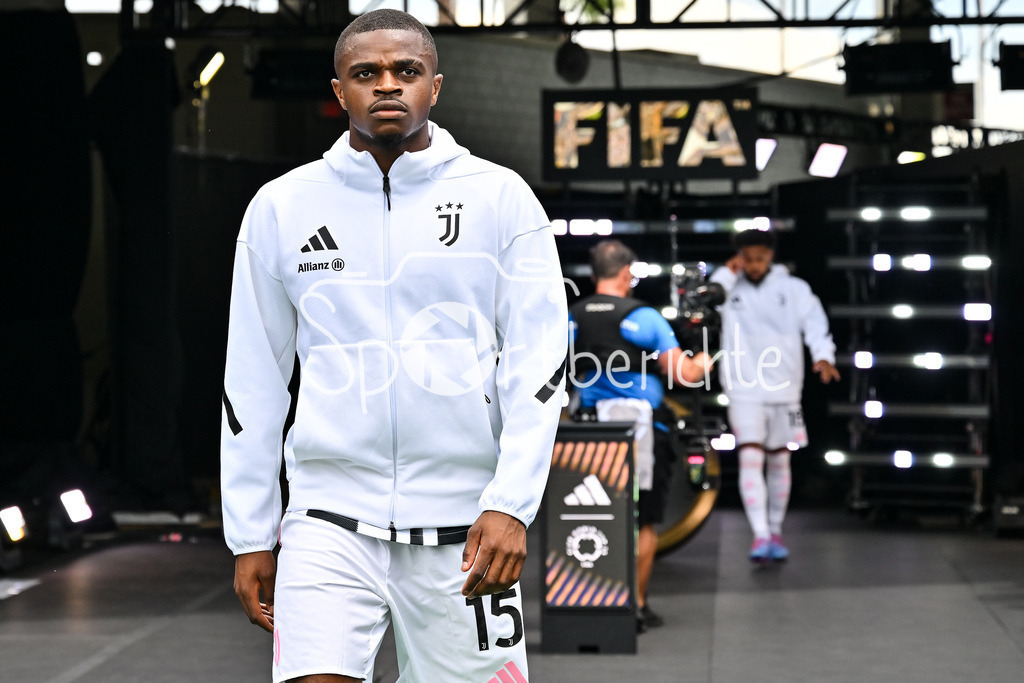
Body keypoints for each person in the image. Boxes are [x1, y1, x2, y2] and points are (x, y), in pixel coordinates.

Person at [220, 10, 568, 682]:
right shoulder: (281, 207)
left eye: (406, 71)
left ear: (434, 86)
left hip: (468, 527)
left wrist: (511, 502)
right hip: (326, 520)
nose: (387, 85)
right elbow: (254, 380)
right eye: (366, 73)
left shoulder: (501, 199)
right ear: (340, 90)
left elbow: (539, 365)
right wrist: (252, 532)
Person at [568, 239, 711, 632]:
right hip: (640, 433)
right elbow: (684, 373)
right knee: (642, 520)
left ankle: (585, 600)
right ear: (627, 273)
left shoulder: (571, 315)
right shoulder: (644, 316)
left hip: (585, 432)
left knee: (588, 514)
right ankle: (636, 605)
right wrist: (705, 356)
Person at [709, 228, 839, 563]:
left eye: (760, 258)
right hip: (743, 387)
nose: (754, 265)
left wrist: (823, 355)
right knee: (750, 457)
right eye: (747, 258)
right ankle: (760, 534)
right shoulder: (726, 287)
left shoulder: (793, 289)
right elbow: (704, 300)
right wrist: (726, 272)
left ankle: (775, 529)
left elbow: (815, 323)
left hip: (785, 388)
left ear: (771, 255)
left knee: (780, 459)